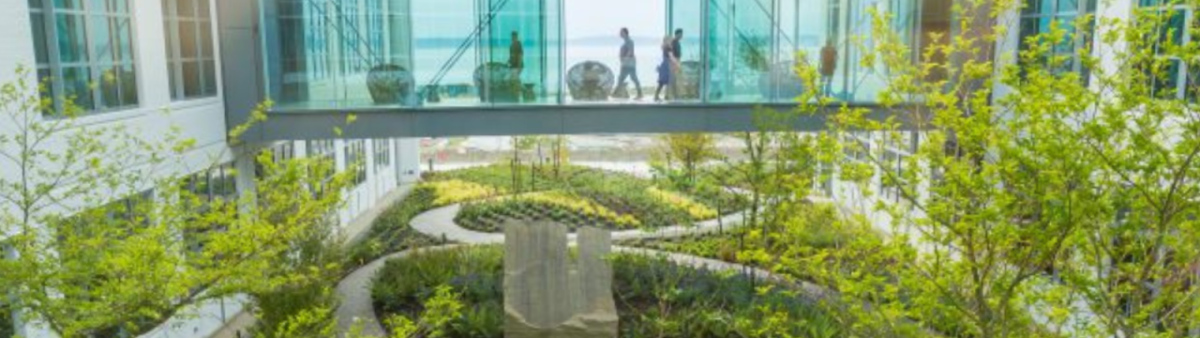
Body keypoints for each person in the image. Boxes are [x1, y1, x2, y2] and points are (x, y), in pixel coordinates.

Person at [615, 28, 643, 100]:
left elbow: (630, 52)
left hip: (628, 63)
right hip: (626, 63)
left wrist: (624, 59)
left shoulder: (630, 41)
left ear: (625, 33)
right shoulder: (625, 42)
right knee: (623, 78)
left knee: (631, 78)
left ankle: (639, 94)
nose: (620, 34)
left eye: (621, 32)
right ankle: (617, 93)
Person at [655, 36, 679, 102]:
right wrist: (676, 64)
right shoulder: (668, 48)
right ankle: (675, 97)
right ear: (667, 41)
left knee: (662, 82)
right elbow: (671, 57)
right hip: (667, 66)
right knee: (672, 80)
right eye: (670, 40)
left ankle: (657, 96)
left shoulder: (664, 47)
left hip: (664, 65)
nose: (671, 41)